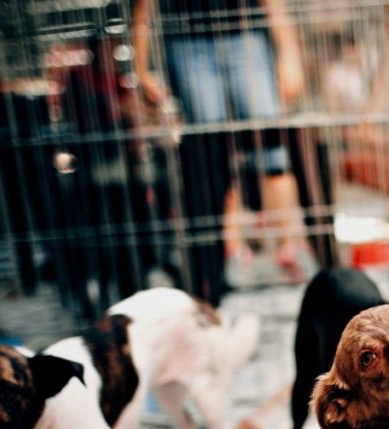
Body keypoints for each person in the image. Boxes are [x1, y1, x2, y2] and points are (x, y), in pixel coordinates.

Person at [132, 0, 307, 302]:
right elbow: (143, 7)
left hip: (245, 33)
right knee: (210, 155)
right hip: (188, 38)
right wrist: (141, 66)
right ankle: (231, 251)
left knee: (271, 150)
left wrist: (289, 54)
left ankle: (289, 245)